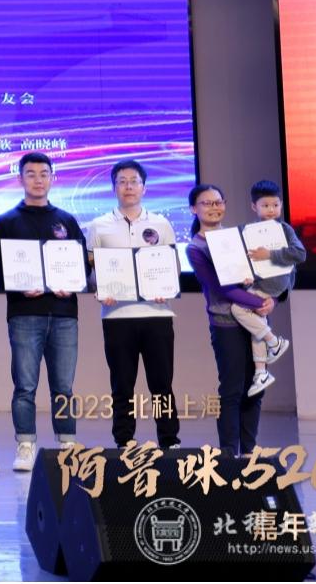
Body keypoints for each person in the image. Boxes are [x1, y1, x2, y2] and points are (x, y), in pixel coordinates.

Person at [0, 152, 85, 472]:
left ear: (53, 178)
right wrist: (17, 287)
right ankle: (26, 444)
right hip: (24, 313)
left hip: (64, 313)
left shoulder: (67, 220)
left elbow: (80, 265)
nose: (38, 180)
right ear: (20, 179)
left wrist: (73, 284)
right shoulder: (6, 222)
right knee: (25, 386)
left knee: (64, 387)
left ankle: (67, 443)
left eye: (44, 174)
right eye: (30, 174)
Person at [86, 159, 180, 449]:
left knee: (161, 383)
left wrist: (167, 287)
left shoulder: (161, 223)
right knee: (122, 384)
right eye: (122, 181)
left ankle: (169, 439)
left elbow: (172, 266)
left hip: (157, 314)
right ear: (114, 187)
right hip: (116, 316)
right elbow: (92, 270)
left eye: (134, 181)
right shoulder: (98, 225)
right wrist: (100, 289)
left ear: (144, 187)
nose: (128, 186)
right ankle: (124, 439)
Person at [185, 184, 269, 457]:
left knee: (256, 386)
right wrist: (258, 302)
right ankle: (229, 454)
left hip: (255, 322)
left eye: (218, 202)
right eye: (206, 203)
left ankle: (249, 452)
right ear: (193, 209)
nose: (214, 207)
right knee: (232, 389)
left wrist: (271, 299)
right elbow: (221, 288)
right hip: (226, 324)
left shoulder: (239, 238)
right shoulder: (196, 247)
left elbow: (265, 274)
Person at [233, 179, 305, 395]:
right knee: (257, 325)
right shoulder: (248, 231)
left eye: (275, 205)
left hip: (276, 282)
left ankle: (275, 342)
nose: (271, 210)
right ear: (254, 207)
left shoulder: (284, 229)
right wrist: (246, 277)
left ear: (281, 205)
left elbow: (300, 254)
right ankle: (261, 372)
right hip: (259, 282)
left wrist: (270, 254)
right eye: (265, 205)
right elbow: (245, 260)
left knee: (238, 308)